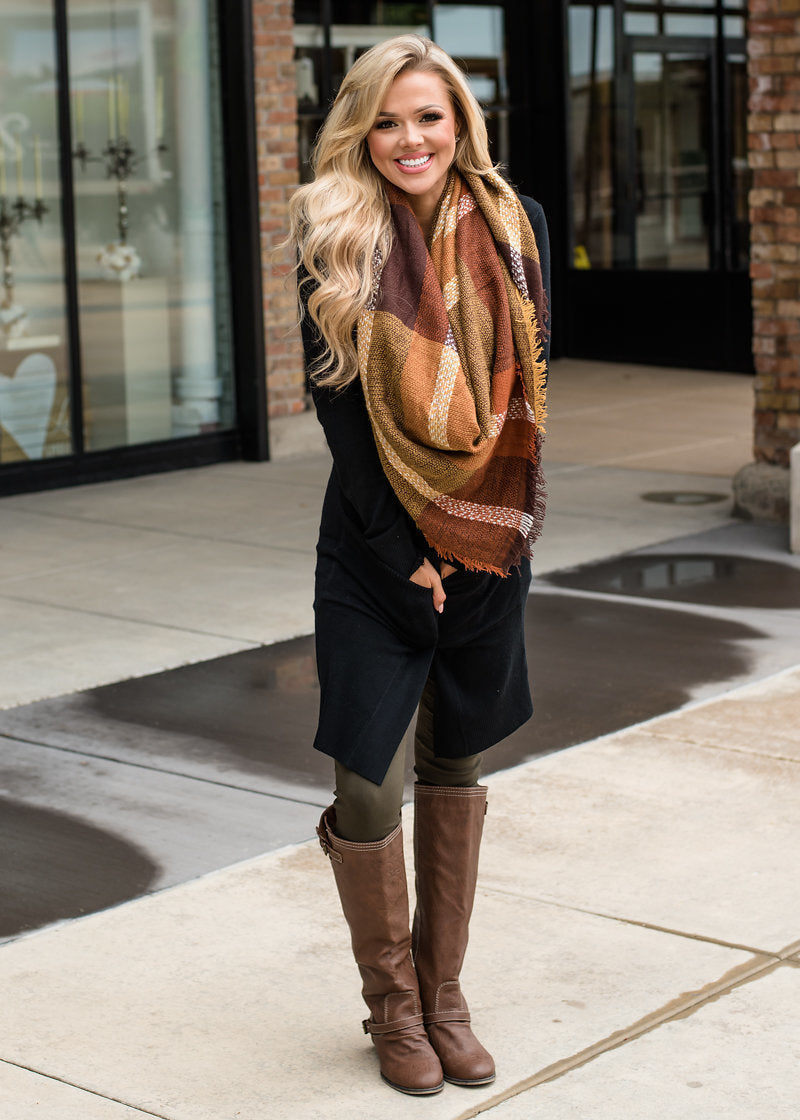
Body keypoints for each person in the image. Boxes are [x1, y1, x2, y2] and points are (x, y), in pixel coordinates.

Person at [288, 34, 550, 1097]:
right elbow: (339, 413)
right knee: (369, 782)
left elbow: (527, 387)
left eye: (428, 117)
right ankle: (390, 1008)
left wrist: (485, 526)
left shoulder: (516, 226)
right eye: (387, 120)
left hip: (487, 536)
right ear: (361, 130)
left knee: (457, 765)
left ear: (459, 123)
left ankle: (443, 1000)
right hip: (375, 549)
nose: (410, 139)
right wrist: (406, 552)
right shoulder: (334, 233)